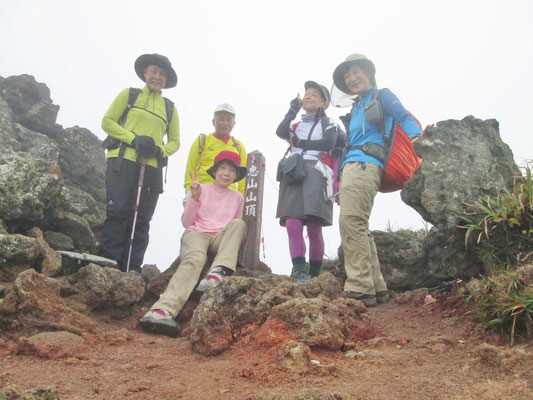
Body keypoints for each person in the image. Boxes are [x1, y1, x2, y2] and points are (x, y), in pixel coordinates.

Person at [332, 54, 421, 307]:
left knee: (351, 221)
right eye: (348, 76)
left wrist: (417, 140)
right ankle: (376, 286)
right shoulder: (356, 106)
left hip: (366, 164)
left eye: (356, 72)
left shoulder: (382, 96)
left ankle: (360, 286)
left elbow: (403, 117)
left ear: (369, 73)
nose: (351, 78)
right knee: (359, 224)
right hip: (353, 166)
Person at [140, 150, 247, 337]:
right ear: (214, 171)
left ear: (236, 175)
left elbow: (233, 229)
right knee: (195, 259)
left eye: (232, 170)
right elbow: (187, 222)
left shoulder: (237, 197)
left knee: (239, 224)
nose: (226, 173)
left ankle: (217, 273)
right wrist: (195, 198)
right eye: (222, 168)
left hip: (219, 237)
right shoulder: (200, 189)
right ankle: (162, 311)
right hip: (197, 233)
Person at [99, 53, 180, 273]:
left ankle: (133, 266)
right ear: (145, 73)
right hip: (122, 160)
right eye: (154, 71)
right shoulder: (129, 95)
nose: (157, 77)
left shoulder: (170, 108)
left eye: (162, 74)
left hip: (151, 167)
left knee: (142, 217)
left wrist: (159, 150)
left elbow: (175, 142)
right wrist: (132, 138)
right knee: (119, 210)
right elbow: (107, 122)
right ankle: (109, 262)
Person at [276, 81, 342, 282]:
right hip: (293, 170)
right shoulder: (296, 125)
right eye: (306, 93)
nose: (308, 96)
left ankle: (315, 273)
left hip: (317, 171)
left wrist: (300, 143)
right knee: (292, 223)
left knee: (314, 224)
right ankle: (299, 270)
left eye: (314, 94)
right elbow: (280, 131)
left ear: (325, 102)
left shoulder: (328, 123)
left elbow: (329, 143)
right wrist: (292, 110)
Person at [183, 103, 247, 199]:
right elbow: (190, 168)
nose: (225, 123)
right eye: (221, 119)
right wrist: (189, 193)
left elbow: (243, 177)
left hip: (228, 198)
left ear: (234, 124)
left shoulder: (239, 146)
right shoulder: (202, 141)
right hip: (202, 194)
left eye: (229, 120)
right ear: (213, 121)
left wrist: (242, 198)